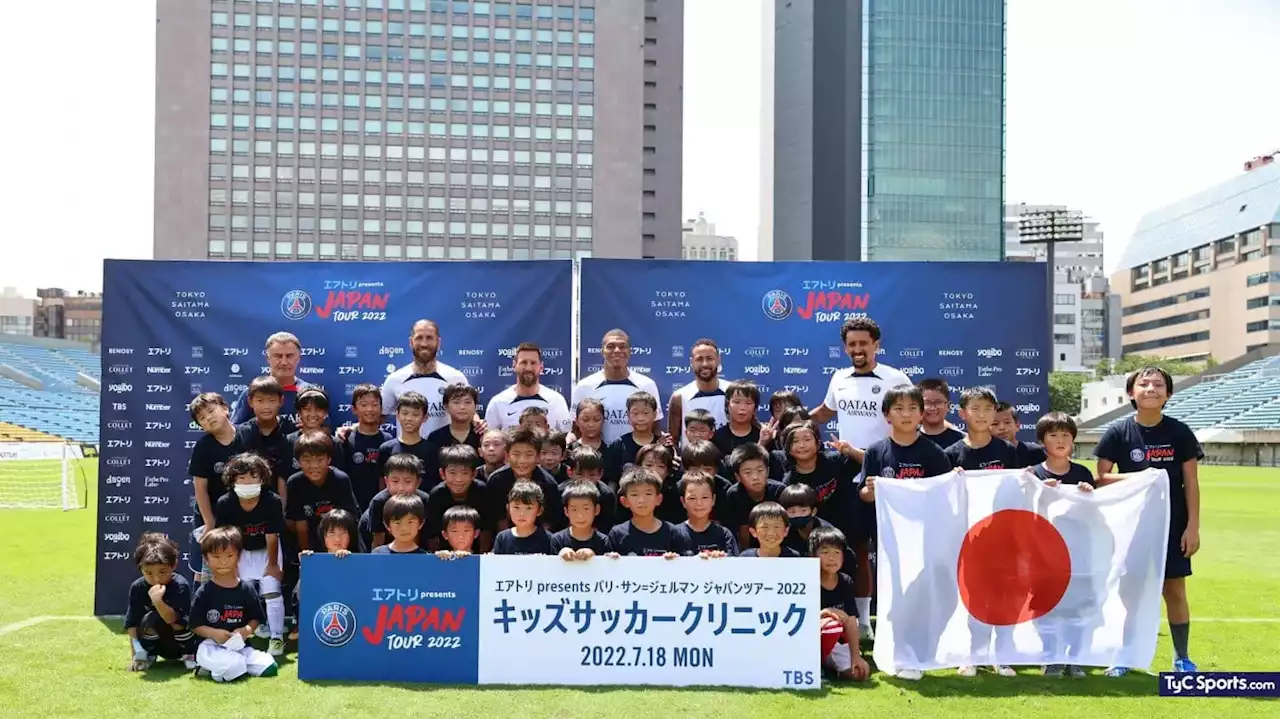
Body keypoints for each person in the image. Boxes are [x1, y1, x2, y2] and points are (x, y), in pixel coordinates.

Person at [1094, 366, 1202, 677]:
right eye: (1144, 384)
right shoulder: (1118, 432)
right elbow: (1101, 478)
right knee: (1131, 592)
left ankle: (1182, 658)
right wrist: (1142, 477)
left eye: (1158, 384)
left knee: (1175, 590)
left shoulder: (1180, 432)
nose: (1151, 388)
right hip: (1131, 525)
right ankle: (1124, 657)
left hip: (1173, 525)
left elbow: (1191, 483)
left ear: (1168, 394)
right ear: (1131, 393)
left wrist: (1192, 526)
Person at [808, 317, 914, 462]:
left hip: (885, 459)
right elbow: (825, 412)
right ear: (845, 348)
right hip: (845, 459)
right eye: (852, 344)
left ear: (876, 345)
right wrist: (792, 421)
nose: (857, 349)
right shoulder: (839, 377)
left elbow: (916, 416)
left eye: (863, 343)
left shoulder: (896, 379)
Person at [213, 453, 287, 656]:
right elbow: (227, 538)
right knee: (240, 592)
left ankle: (277, 638)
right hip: (240, 551)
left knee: (271, 588)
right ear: (233, 479)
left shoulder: (272, 501)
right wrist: (232, 566)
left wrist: (272, 565)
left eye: (253, 476)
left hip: (266, 550)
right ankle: (238, 636)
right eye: (242, 477)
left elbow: (271, 536)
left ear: (262, 478)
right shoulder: (225, 503)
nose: (247, 481)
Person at [190, 527, 278, 682]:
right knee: (235, 666)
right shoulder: (204, 592)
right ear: (206, 559)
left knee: (269, 666)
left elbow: (256, 619)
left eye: (229, 555)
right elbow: (195, 625)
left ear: (238, 556)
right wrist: (215, 633)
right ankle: (211, 666)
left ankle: (217, 668)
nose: (223, 561)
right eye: (216, 556)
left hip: (240, 646)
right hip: (210, 646)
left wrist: (245, 630)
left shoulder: (246, 589)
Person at [380, 320, 470, 436]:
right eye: (419, 338)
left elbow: (468, 413)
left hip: (447, 452)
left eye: (429, 338)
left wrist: (478, 422)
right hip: (408, 453)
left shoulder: (455, 378)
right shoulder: (394, 380)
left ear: (438, 342)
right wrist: (355, 428)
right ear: (411, 342)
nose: (424, 344)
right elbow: (379, 417)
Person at [572, 329, 664, 443]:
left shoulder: (646, 385)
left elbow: (655, 427)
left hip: (636, 457)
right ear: (602, 352)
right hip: (597, 457)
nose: (617, 350)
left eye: (622, 346)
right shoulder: (584, 386)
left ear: (630, 351)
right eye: (610, 346)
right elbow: (576, 429)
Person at [187, 392, 243, 580]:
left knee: (237, 564)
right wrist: (209, 523)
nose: (208, 418)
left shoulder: (247, 435)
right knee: (205, 569)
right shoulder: (203, 447)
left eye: (211, 411)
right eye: (202, 418)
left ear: (226, 409)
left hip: (241, 513)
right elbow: (200, 489)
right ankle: (200, 606)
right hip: (209, 513)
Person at [124, 533, 197, 671]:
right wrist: (136, 656)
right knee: (149, 619)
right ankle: (148, 654)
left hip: (181, 643)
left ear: (174, 565)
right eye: (149, 573)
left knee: (166, 618)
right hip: (155, 642)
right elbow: (132, 624)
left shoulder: (180, 585)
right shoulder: (137, 587)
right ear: (141, 570)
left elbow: (172, 619)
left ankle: (188, 655)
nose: (156, 579)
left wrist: (157, 600)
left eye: (162, 572)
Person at [859, 384, 954, 486]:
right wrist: (870, 490)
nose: (906, 414)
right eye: (899, 408)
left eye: (912, 408)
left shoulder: (935, 453)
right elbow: (864, 494)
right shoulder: (874, 452)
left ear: (921, 414)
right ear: (886, 415)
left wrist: (955, 477)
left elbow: (945, 492)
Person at [811, 526, 871, 681]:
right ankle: (816, 667)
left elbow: (850, 619)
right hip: (812, 641)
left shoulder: (845, 581)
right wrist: (825, 612)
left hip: (838, 641)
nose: (831, 558)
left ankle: (831, 668)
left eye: (836, 552)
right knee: (830, 625)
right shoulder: (807, 581)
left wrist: (856, 657)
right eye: (824, 552)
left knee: (858, 674)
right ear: (813, 556)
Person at [284, 431, 359, 553]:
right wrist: (307, 554)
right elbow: (299, 524)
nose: (314, 466)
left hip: (340, 543)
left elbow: (348, 519)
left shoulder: (341, 479)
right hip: (311, 541)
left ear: (329, 459)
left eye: (320, 459)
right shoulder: (295, 483)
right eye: (307, 460)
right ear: (297, 461)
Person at [485, 427, 564, 532]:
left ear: (538, 457)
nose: (522, 461)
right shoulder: (497, 480)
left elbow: (549, 522)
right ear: (507, 456)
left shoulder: (548, 483)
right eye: (516, 454)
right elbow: (497, 519)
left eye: (529, 455)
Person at [484, 342, 573, 432]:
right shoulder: (497, 403)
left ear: (541, 367)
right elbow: (489, 439)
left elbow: (566, 437)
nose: (528, 368)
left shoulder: (556, 401)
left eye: (533, 363)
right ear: (514, 365)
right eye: (524, 362)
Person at [944, 387, 1039, 471]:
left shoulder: (1008, 449)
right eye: (975, 409)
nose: (981, 415)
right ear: (962, 413)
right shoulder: (951, 455)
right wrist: (951, 478)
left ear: (994, 412)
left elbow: (1014, 484)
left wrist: (1027, 477)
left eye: (988, 409)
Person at [230, 332, 313, 426]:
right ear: (267, 358)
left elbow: (325, 431)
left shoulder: (310, 392)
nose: (284, 362)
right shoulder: (253, 392)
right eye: (278, 356)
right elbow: (235, 433)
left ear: (298, 358)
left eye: (289, 356)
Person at [607, 467, 691, 557]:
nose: (642, 500)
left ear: (658, 499)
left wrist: (675, 559)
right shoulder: (617, 534)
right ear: (624, 501)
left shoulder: (673, 533)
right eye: (635, 494)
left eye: (648, 494)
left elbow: (685, 564)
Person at [334, 383, 393, 513]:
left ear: (381, 408)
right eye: (364, 405)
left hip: (381, 511)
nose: (370, 409)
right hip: (350, 510)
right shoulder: (344, 440)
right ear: (354, 409)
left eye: (374, 404)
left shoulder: (389, 441)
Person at [235, 376, 293, 503]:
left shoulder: (291, 431)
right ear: (250, 402)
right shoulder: (242, 433)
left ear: (281, 401)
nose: (266, 407)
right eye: (260, 401)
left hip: (289, 502)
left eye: (272, 401)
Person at [426, 444, 491, 552]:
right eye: (452, 473)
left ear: (474, 473)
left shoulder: (481, 491)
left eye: (464, 473)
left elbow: (486, 529)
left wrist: (481, 555)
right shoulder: (436, 495)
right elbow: (432, 534)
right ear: (442, 473)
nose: (458, 479)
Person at [667, 338, 730, 446]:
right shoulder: (679, 397)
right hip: (692, 462)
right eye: (699, 359)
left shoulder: (732, 392)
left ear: (718, 360)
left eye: (709, 358)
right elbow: (673, 440)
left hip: (727, 461)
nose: (705, 364)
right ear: (692, 362)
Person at [723, 442, 786, 550]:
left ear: (768, 471)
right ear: (738, 477)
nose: (755, 477)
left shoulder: (780, 491)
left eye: (760, 471)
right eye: (748, 473)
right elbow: (739, 532)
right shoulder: (734, 494)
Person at [366, 453, 432, 550]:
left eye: (408, 481)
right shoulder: (379, 502)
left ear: (418, 483)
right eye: (395, 481)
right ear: (387, 482)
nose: (401, 488)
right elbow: (378, 539)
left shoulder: (424, 501)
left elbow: (428, 536)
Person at [377, 391, 437, 489]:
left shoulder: (432, 450)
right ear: (397, 415)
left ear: (425, 417)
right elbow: (382, 485)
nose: (409, 418)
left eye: (415, 414)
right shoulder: (386, 449)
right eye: (405, 413)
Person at [672, 470, 738, 556]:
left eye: (705, 497)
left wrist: (720, 559)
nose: (699, 503)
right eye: (692, 498)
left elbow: (733, 564)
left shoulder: (724, 534)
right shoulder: (674, 533)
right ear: (683, 501)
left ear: (713, 500)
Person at [425, 383, 483, 476]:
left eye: (467, 402)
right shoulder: (436, 437)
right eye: (456, 402)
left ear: (475, 406)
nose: (462, 407)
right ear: (446, 407)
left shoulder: (482, 435)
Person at [607, 391, 666, 480]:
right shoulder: (619, 444)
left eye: (646, 413)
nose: (640, 418)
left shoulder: (662, 444)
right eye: (635, 413)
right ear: (628, 415)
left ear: (654, 414)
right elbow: (612, 479)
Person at [1031, 412, 1096, 491]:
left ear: (1073, 440)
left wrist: (1089, 492)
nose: (1060, 441)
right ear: (1042, 441)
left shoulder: (1083, 473)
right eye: (1053, 435)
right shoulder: (1033, 475)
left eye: (1065, 435)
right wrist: (1040, 489)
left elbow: (1092, 501)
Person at [551, 481, 613, 559]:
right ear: (566, 511)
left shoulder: (604, 541)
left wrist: (594, 556)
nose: (580, 515)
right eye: (574, 510)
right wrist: (560, 555)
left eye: (586, 509)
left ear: (596, 509)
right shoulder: (557, 540)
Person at [564, 445, 618, 531]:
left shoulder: (607, 495)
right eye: (580, 474)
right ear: (570, 472)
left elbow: (606, 526)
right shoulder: (562, 491)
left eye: (592, 475)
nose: (586, 479)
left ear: (600, 474)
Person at [492, 482, 554, 555]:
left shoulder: (548, 539)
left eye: (529, 508)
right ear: (508, 508)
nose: (521, 513)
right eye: (516, 507)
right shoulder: (502, 538)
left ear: (539, 510)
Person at [713, 381, 768, 459]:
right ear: (727, 405)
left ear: (755, 408)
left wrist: (763, 443)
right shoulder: (717, 437)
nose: (742, 407)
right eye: (737, 402)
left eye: (748, 403)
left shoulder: (764, 436)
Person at [285, 387, 332, 475]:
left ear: (325, 413)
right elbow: (283, 476)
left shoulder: (334, 442)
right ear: (299, 413)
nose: (313, 414)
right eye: (307, 409)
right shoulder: (288, 441)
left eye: (318, 409)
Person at [918, 378, 966, 449]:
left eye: (938, 402)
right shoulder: (909, 438)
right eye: (927, 403)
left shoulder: (962, 441)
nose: (933, 408)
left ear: (948, 406)